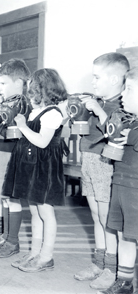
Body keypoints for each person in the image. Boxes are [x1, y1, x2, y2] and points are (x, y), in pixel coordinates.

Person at [2, 68, 68, 272]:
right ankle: (34, 253)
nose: (29, 92)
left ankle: (46, 256)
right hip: (30, 165)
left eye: (32, 87)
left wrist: (22, 127)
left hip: (44, 168)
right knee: (34, 211)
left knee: (45, 211)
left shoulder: (53, 113)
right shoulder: (35, 111)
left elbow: (42, 141)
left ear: (43, 89)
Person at [74, 52, 130, 290]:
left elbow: (114, 132)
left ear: (116, 79)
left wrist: (98, 109)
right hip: (88, 160)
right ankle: (99, 263)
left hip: (105, 164)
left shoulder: (123, 104)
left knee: (108, 220)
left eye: (97, 77)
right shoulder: (97, 101)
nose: (93, 82)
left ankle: (112, 268)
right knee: (96, 216)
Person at [0, 59, 31, 257]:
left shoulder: (21, 104)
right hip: (2, 152)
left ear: (19, 82)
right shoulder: (10, 102)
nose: (0, 88)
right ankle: (6, 236)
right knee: (5, 198)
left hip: (13, 155)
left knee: (12, 199)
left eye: (3, 83)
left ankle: (13, 242)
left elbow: (13, 134)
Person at [96, 67, 138, 294]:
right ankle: (125, 281)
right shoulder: (128, 121)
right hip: (121, 185)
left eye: (129, 89)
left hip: (136, 190)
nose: (122, 95)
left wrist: (130, 136)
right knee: (124, 235)